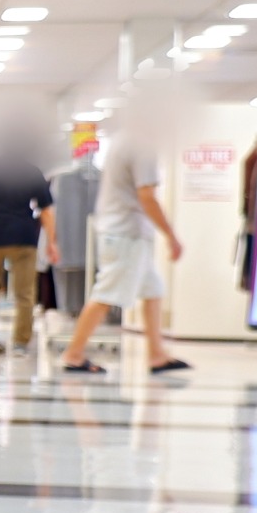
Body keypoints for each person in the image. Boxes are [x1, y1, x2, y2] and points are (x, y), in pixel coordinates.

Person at [60, 119, 190, 376]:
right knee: (106, 294)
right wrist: (171, 235)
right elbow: (147, 197)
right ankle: (73, 354)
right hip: (126, 233)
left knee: (153, 290)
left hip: (125, 232)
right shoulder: (143, 146)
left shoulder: (123, 139)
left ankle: (157, 355)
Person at [0, 140, 55, 354]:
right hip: (23, 236)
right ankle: (20, 342)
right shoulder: (32, 172)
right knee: (25, 292)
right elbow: (45, 210)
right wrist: (52, 242)